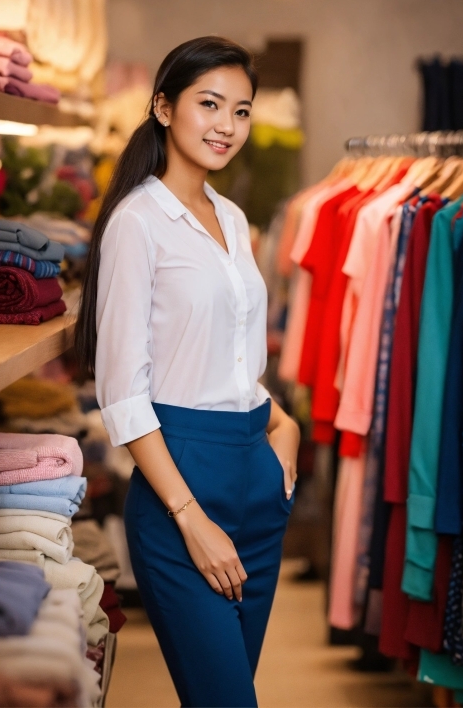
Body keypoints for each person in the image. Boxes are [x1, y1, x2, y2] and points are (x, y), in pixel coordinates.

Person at [75, 36, 300, 708]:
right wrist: (190, 517)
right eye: (210, 104)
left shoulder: (231, 218)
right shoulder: (137, 223)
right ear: (164, 108)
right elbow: (123, 393)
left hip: (258, 488)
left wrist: (283, 434)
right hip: (180, 490)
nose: (226, 125)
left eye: (241, 110)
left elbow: (234, 359)